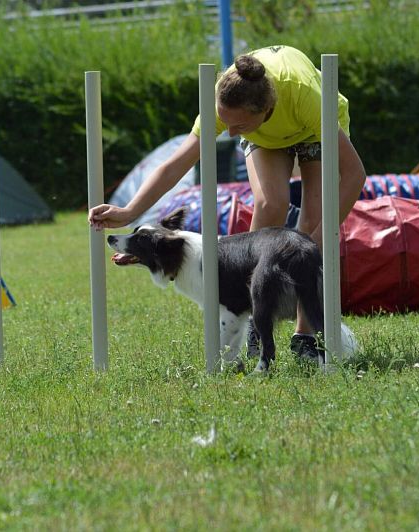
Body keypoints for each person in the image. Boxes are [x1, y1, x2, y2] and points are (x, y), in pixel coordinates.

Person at [89, 45, 366, 365]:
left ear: (265, 108)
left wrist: (316, 242)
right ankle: (252, 309)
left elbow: (355, 174)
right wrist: (129, 212)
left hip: (313, 129)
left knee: (312, 216)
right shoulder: (226, 106)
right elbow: (175, 166)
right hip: (264, 137)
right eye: (226, 124)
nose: (230, 134)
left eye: (238, 127)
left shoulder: (306, 98)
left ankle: (304, 337)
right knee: (270, 203)